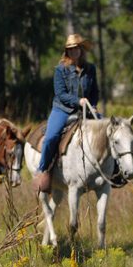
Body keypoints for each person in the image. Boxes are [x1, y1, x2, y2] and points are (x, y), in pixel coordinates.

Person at [33, 33, 100, 193]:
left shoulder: (90, 69)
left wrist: (94, 105)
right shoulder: (60, 69)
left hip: (86, 108)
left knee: (110, 130)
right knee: (51, 137)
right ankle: (42, 169)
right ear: (66, 51)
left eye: (76, 48)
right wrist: (78, 101)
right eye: (70, 49)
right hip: (62, 109)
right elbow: (60, 94)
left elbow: (95, 91)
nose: (73, 52)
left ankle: (115, 170)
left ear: (81, 49)